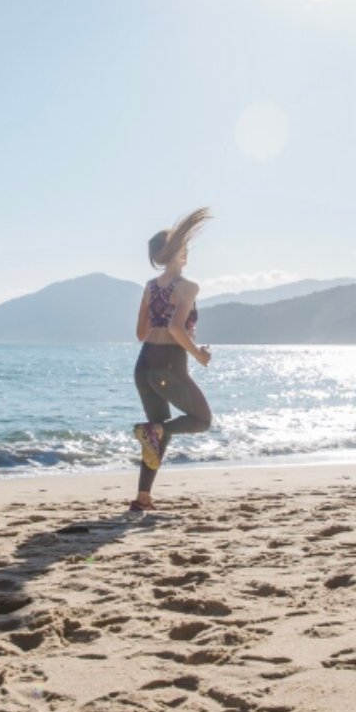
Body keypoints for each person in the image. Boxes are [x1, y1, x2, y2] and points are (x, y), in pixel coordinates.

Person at [130, 207, 214, 513]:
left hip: (144, 366)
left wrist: (160, 319)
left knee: (156, 430)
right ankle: (144, 491)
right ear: (177, 251)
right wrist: (199, 355)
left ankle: (142, 498)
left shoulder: (150, 287)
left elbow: (141, 333)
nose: (188, 251)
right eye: (185, 247)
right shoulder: (188, 287)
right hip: (169, 365)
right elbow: (176, 328)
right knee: (202, 421)